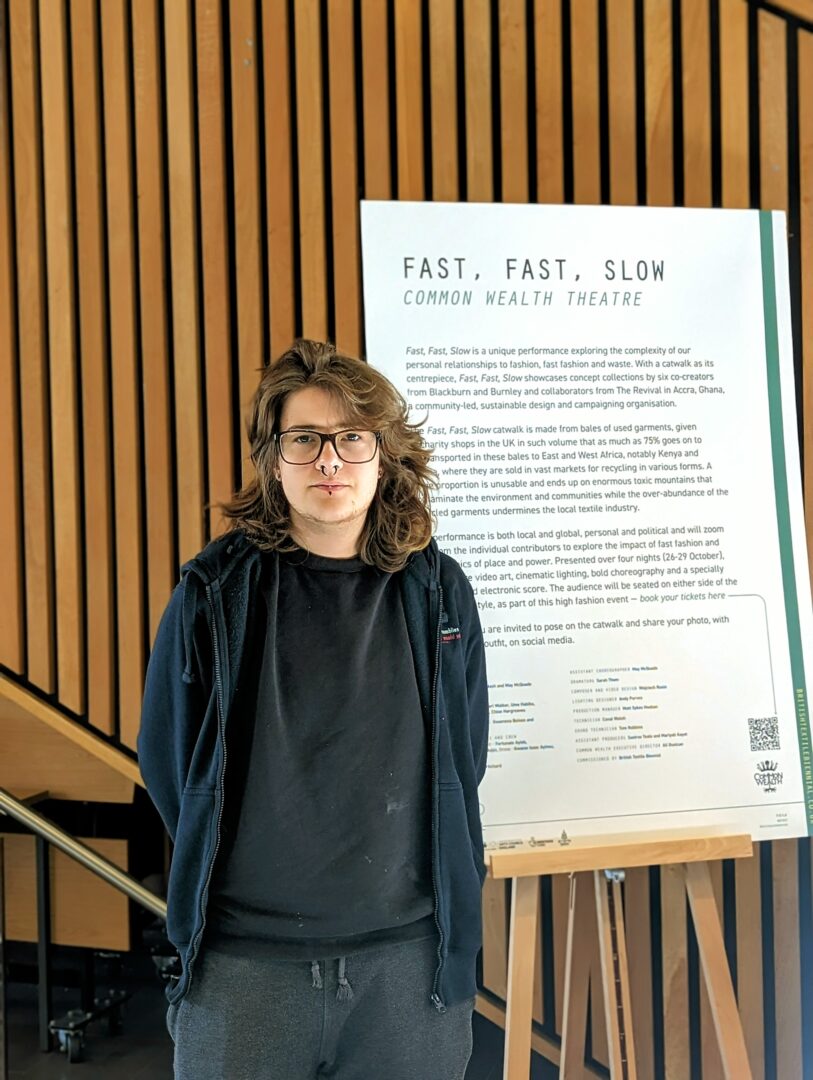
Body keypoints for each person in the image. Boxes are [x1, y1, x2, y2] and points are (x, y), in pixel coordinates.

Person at [138, 339, 489, 1079]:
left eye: (351, 437)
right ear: (274, 460)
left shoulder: (438, 591)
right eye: (303, 439)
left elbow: (466, 756)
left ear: (384, 456)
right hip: (244, 967)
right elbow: (171, 766)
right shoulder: (213, 593)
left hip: (408, 965)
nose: (329, 460)